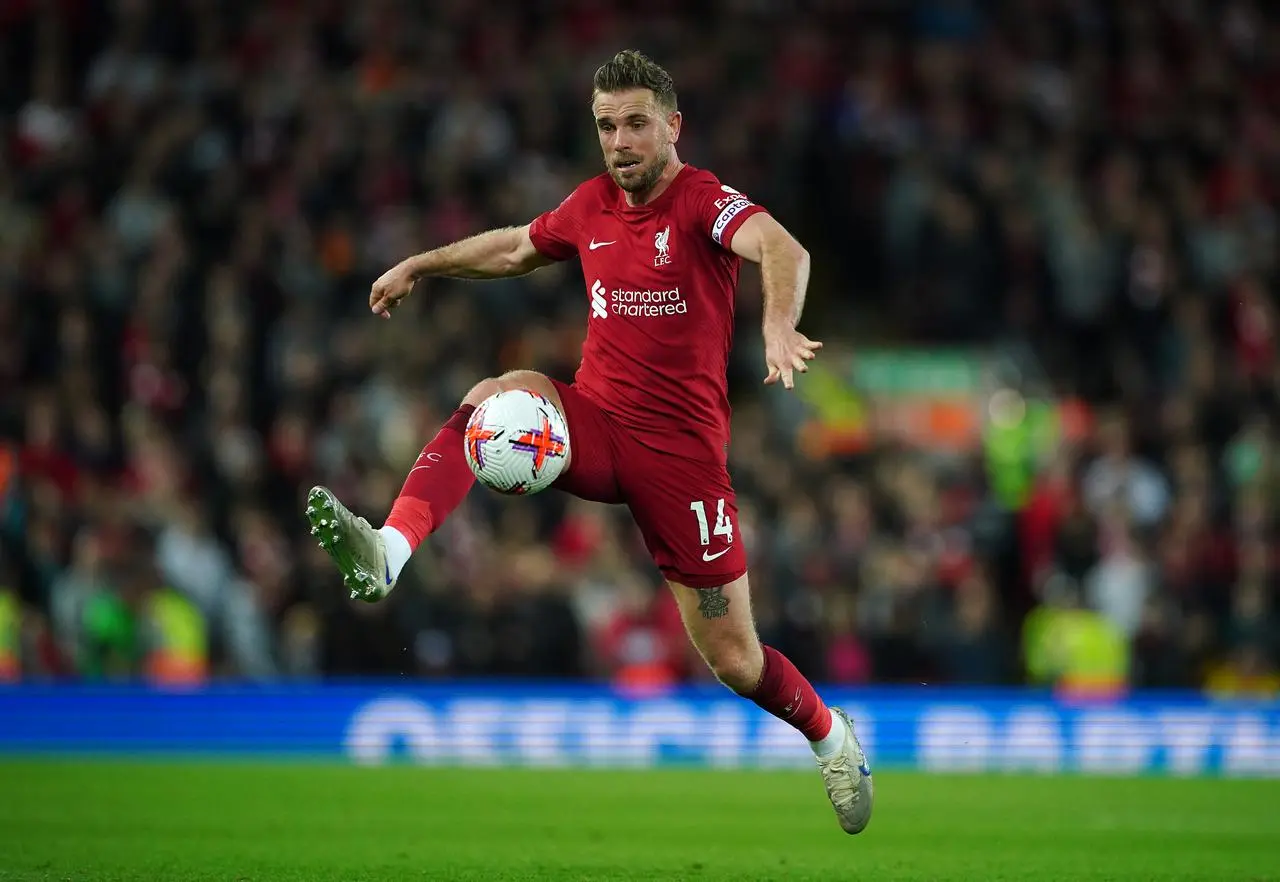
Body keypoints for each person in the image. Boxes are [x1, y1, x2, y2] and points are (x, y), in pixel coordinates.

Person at [305, 50, 872, 834]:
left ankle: (830, 735)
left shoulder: (704, 202)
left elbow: (785, 249)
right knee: (490, 398)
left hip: (683, 461)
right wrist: (419, 265)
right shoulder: (592, 205)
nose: (620, 142)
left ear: (673, 126)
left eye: (636, 123)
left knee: (735, 660)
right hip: (594, 426)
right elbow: (512, 248)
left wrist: (778, 322)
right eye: (606, 127)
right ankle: (388, 554)